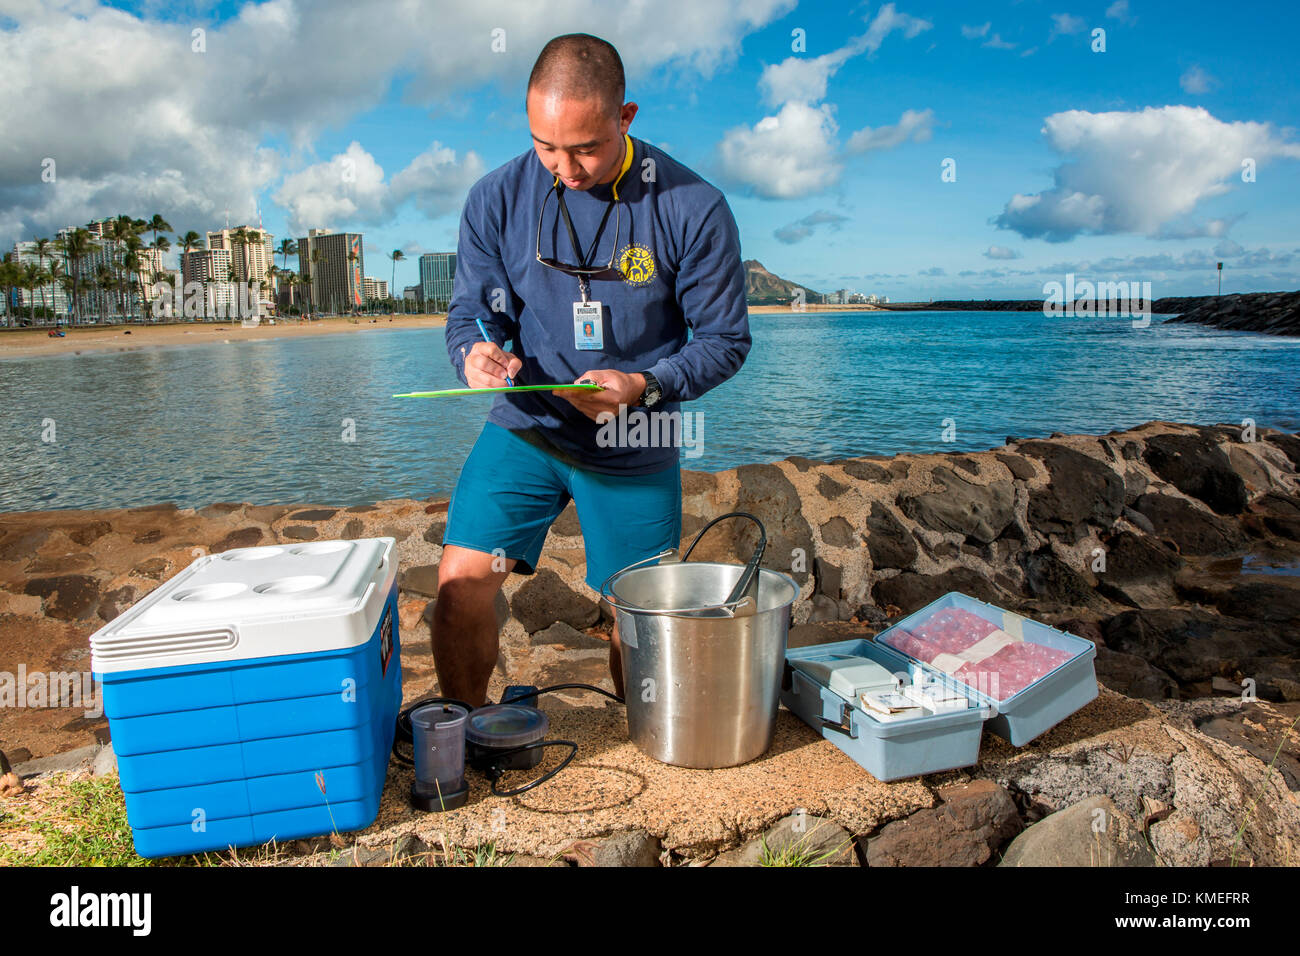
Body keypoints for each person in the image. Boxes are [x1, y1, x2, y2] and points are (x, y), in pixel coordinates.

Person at [434, 33, 750, 707]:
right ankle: (462, 730)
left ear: (626, 117)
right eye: (546, 146)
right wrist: (475, 353)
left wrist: (646, 386)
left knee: (631, 618)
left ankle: (647, 745)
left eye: (585, 147)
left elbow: (725, 340)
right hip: (526, 427)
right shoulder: (494, 198)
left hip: (635, 440)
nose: (565, 168)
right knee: (460, 583)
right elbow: (470, 314)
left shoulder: (693, 205)